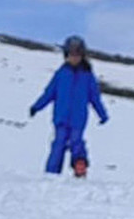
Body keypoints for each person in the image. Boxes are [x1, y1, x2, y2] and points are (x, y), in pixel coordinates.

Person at [29, 35, 109, 177]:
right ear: (66, 55)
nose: (74, 58)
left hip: (78, 119)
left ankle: (80, 167)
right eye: (71, 55)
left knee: (76, 142)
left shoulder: (87, 76)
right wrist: (36, 106)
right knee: (58, 144)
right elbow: (49, 93)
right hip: (61, 118)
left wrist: (102, 114)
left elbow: (95, 98)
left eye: (77, 55)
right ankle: (51, 173)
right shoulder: (61, 74)